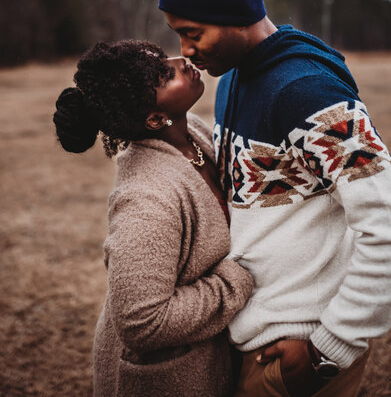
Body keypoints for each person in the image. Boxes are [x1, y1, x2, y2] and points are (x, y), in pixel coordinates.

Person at [159, 0, 391, 397]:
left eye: (193, 32)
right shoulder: (232, 79)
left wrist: (329, 349)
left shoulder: (306, 90)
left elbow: (389, 222)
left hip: (298, 349)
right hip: (253, 331)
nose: (185, 49)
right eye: (179, 34)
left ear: (233, 17)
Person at [53, 39, 254, 397]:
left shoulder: (190, 131)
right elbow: (143, 322)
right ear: (155, 118)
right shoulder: (146, 197)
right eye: (164, 75)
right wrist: (238, 278)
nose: (182, 61)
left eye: (163, 59)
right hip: (169, 380)